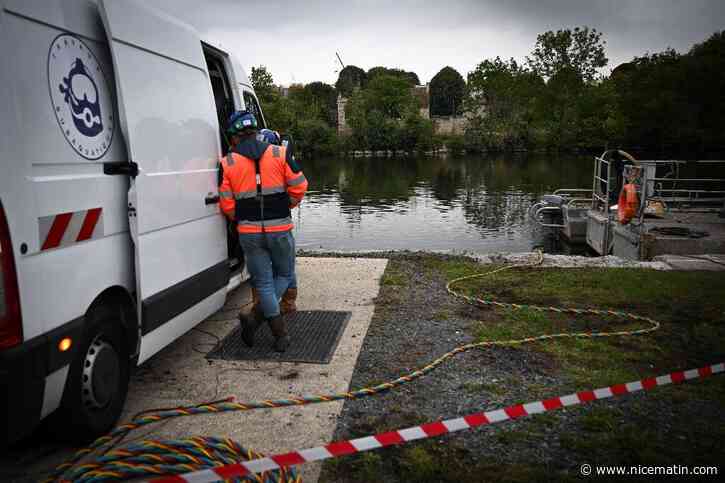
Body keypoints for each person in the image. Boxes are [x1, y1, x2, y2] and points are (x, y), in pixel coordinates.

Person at [219, 111, 308, 351]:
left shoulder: (227, 163)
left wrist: (242, 218)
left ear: (234, 137)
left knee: (264, 283)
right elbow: (300, 186)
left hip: (248, 233)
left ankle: (280, 335)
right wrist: (284, 205)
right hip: (279, 228)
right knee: (286, 274)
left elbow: (226, 203)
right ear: (257, 131)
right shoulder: (280, 153)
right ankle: (257, 319)